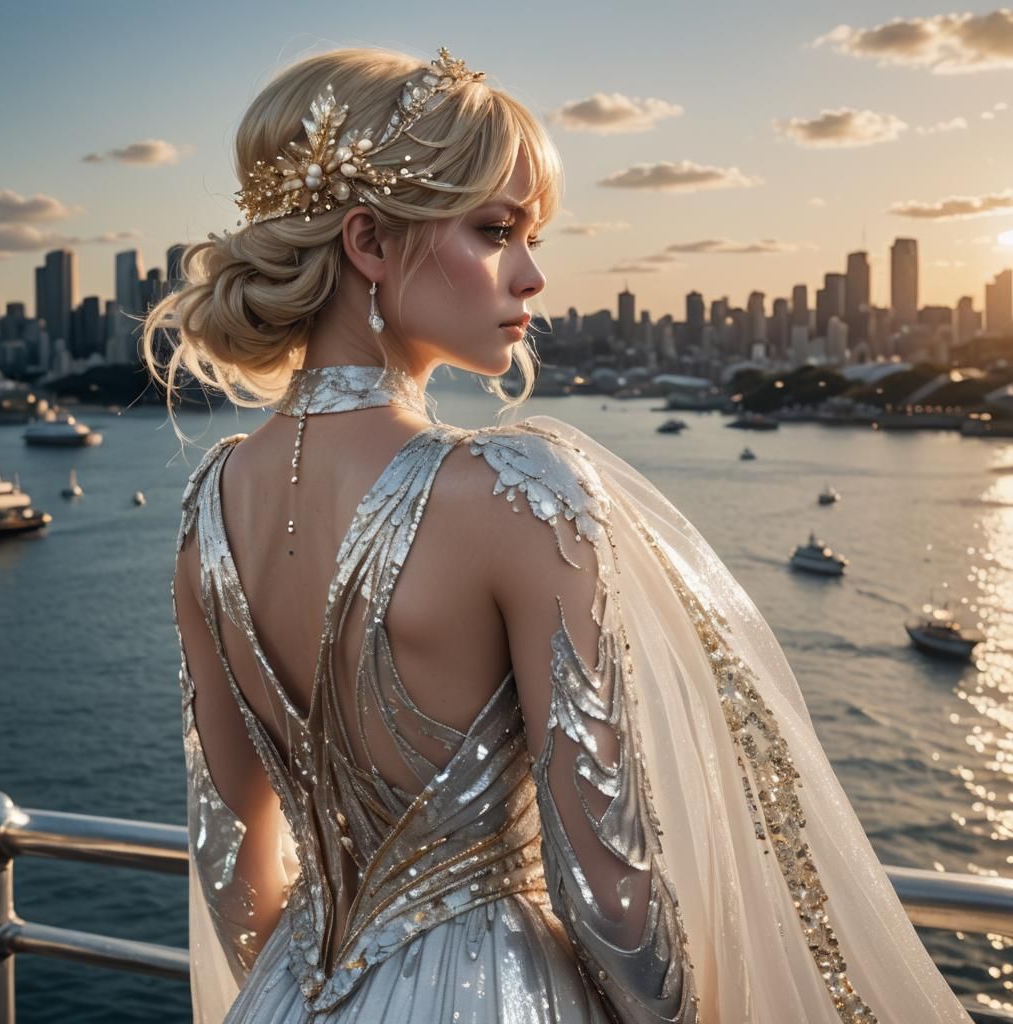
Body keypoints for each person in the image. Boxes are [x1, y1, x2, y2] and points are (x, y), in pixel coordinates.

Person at [143, 45, 975, 1024]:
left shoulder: (207, 507)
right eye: (496, 229)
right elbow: (613, 904)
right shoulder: (513, 493)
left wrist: (313, 997)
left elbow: (229, 855)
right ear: (368, 242)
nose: (532, 276)